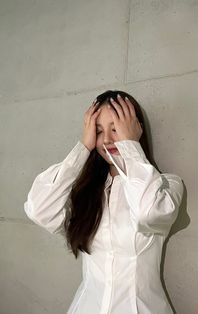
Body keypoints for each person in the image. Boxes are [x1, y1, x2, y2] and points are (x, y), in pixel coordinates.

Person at [24, 90, 184, 314]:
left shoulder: (167, 187)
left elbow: (148, 213)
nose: (107, 139)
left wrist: (130, 147)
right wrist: (83, 148)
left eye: (116, 128)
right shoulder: (85, 193)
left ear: (135, 129)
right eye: (98, 131)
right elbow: (39, 210)